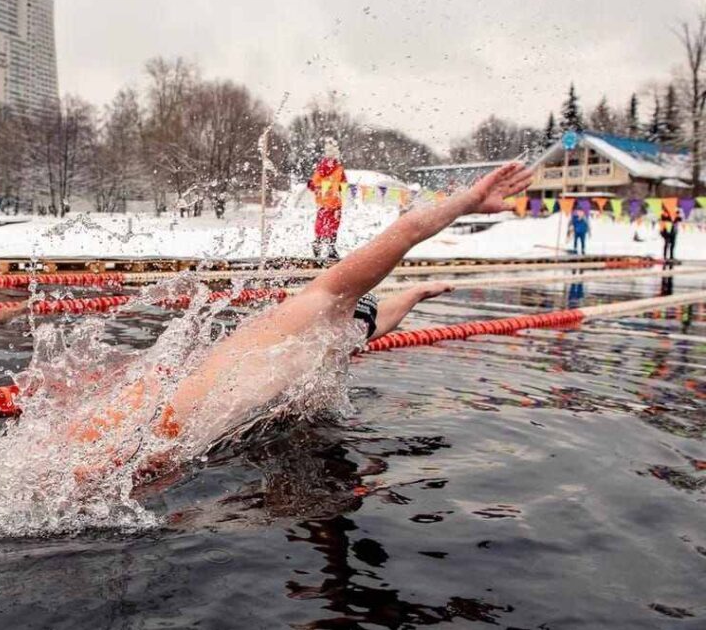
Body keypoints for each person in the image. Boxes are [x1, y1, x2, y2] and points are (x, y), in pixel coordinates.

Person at [69, 162, 533, 478]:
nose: (355, 339)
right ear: (351, 306)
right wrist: (468, 200)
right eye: (357, 322)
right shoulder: (319, 302)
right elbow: (405, 231)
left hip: (170, 435)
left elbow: (377, 324)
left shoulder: (330, 339)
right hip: (157, 428)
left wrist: (415, 294)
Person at [307, 138, 348, 260]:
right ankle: (330, 247)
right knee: (333, 225)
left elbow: (312, 184)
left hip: (323, 203)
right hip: (335, 203)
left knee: (321, 224)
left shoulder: (320, 169)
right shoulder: (339, 169)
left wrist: (319, 188)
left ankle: (319, 244)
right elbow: (344, 184)